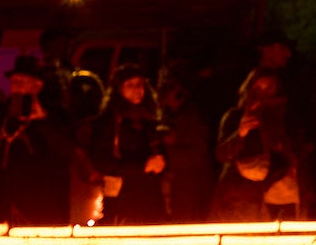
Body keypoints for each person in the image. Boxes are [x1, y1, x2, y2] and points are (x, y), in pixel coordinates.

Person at [0, 58, 90, 225]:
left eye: (21, 82)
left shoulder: (56, 115)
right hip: (4, 201)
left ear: (37, 86)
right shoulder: (2, 113)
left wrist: (43, 120)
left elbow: (66, 149)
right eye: (13, 82)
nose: (15, 86)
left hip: (42, 201)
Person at [83, 65, 169, 224]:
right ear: (118, 89)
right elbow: (102, 161)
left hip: (150, 196)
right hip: (123, 197)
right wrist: (141, 166)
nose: (137, 90)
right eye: (130, 85)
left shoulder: (149, 117)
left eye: (140, 84)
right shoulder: (110, 122)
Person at [158, 70, 218, 222]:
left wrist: (170, 147)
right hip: (183, 184)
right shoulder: (174, 115)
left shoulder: (190, 116)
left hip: (192, 186)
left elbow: (196, 154)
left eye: (172, 87)